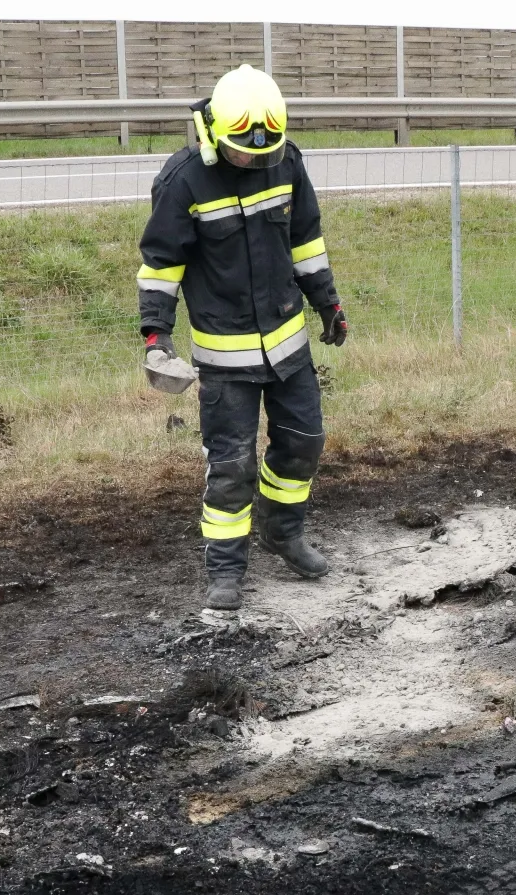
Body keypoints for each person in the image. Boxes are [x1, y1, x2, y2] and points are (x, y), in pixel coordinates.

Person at [138, 64, 350, 610]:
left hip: (289, 349)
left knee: (303, 444)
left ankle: (283, 532)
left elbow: (306, 242)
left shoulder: (288, 162)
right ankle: (226, 571)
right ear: (214, 133)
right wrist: (156, 338)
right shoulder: (183, 181)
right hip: (224, 359)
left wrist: (328, 303)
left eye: (264, 153)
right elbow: (161, 266)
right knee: (231, 467)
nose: (254, 162)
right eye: (243, 152)